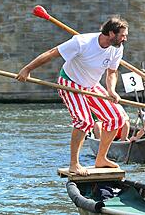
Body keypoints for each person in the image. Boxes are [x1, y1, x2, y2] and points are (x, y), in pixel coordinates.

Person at [16, 16, 128, 176]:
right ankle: (74, 164)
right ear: (111, 33)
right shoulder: (81, 42)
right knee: (84, 121)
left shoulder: (117, 48)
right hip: (70, 82)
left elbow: (111, 72)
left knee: (116, 117)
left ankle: (101, 158)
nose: (125, 39)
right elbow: (52, 53)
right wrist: (27, 69)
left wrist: (111, 90)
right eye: (122, 35)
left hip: (91, 85)